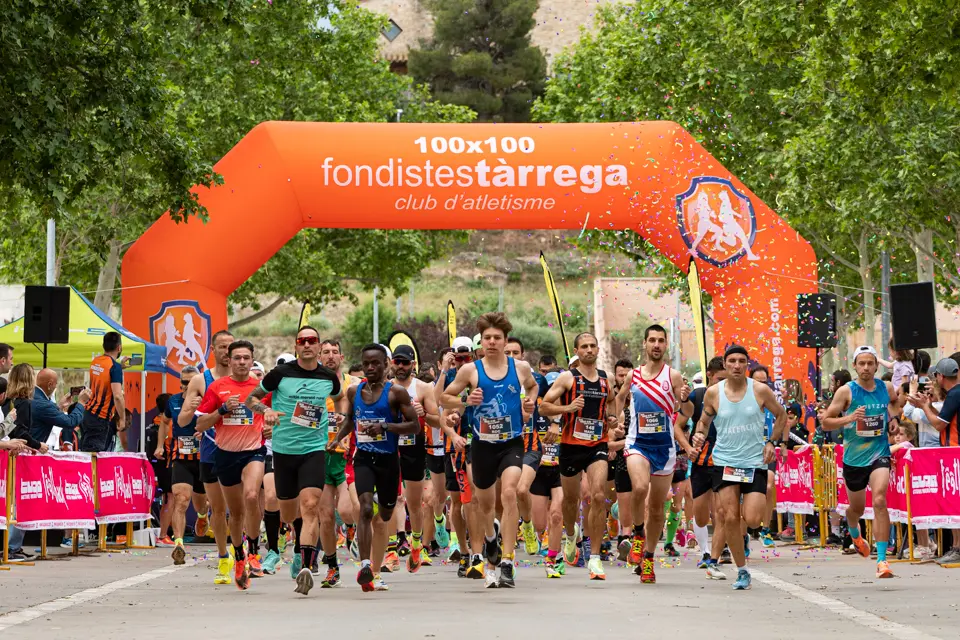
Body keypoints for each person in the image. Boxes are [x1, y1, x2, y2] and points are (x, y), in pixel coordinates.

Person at [441, 313, 539, 589]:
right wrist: (465, 400)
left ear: (506, 340)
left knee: (509, 493)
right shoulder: (470, 371)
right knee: (485, 505)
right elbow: (444, 397)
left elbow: (532, 387)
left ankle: (507, 561)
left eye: (497, 338)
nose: (493, 342)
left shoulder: (520, 368)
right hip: (482, 444)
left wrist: (529, 403)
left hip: (511, 442)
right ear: (481, 343)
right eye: (488, 338)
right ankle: (491, 540)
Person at [245, 327, 342, 595]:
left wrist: (340, 423)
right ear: (296, 345)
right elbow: (250, 399)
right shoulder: (280, 374)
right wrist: (267, 411)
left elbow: (340, 398)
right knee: (288, 512)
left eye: (312, 341)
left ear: (319, 346)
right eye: (302, 341)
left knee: (311, 505)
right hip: (284, 451)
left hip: (313, 450)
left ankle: (306, 566)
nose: (307, 345)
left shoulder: (328, 377)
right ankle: (294, 542)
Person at [692, 345, 786, 591]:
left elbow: (781, 416)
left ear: (747, 364)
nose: (736, 365)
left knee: (753, 519)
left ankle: (741, 538)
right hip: (724, 462)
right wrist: (699, 435)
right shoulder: (713, 393)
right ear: (724, 363)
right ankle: (742, 570)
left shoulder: (760, 390)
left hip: (754, 462)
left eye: (741, 361)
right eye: (731, 361)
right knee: (730, 517)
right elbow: (703, 421)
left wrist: (771, 442)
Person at [330, 344, 420, 592]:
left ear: (386, 364)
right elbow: (350, 420)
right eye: (366, 363)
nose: (370, 368)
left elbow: (414, 426)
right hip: (364, 458)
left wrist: (387, 428)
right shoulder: (353, 391)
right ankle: (366, 565)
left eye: (375, 363)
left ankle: (377, 565)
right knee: (366, 508)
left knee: (387, 514)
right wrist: (338, 439)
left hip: (389, 461)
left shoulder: (396, 393)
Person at [614, 324, 692, 584]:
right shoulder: (633, 376)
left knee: (657, 509)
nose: (656, 345)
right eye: (652, 340)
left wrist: (686, 399)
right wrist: (617, 421)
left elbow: (687, 411)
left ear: (665, 345)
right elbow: (619, 397)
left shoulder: (674, 376)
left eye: (661, 340)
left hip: (665, 448)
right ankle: (637, 534)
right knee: (639, 488)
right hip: (637, 444)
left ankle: (648, 559)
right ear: (645, 344)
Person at [539, 332, 618, 581]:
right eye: (584, 346)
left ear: (597, 350)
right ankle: (571, 535)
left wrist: (613, 419)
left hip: (598, 445)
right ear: (576, 350)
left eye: (593, 346)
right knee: (570, 502)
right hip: (571, 446)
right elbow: (544, 406)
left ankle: (594, 558)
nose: (589, 350)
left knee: (597, 495)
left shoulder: (607, 379)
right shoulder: (567, 378)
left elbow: (613, 404)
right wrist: (567, 409)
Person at [196, 339, 269, 590]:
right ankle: (238, 556)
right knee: (235, 513)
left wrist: (269, 425)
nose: (241, 362)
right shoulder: (217, 387)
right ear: (229, 359)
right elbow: (200, 424)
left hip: (253, 452)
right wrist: (222, 411)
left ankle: (253, 552)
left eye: (246, 358)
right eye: (236, 358)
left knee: (251, 496)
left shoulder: (261, 388)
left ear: (252, 360)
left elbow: (270, 415)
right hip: (225, 454)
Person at [823, 345, 900, 580]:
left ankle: (881, 561)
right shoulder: (846, 392)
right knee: (855, 509)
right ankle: (855, 534)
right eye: (861, 363)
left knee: (879, 500)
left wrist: (894, 418)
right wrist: (850, 418)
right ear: (855, 366)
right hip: (854, 459)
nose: (866, 368)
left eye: (870, 363)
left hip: (879, 453)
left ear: (877, 365)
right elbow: (826, 422)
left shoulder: (885, 387)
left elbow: (895, 402)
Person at [179, 329, 234, 584]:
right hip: (211, 448)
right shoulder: (201, 380)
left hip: (240, 448)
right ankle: (223, 555)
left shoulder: (246, 378)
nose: (226, 351)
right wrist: (189, 410)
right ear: (213, 350)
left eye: (229, 347)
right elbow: (182, 420)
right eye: (221, 347)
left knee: (241, 504)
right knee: (218, 509)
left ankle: (242, 553)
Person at [674, 356, 727, 577]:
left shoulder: (736, 396)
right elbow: (677, 427)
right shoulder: (697, 396)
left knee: (723, 510)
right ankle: (706, 548)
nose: (723, 384)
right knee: (701, 513)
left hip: (726, 461)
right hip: (701, 462)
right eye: (719, 379)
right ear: (709, 376)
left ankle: (714, 552)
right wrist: (687, 448)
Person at [390, 343, 441, 572]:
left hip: (414, 448)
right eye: (397, 362)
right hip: (390, 448)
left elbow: (437, 420)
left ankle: (417, 544)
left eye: (405, 363)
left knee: (414, 502)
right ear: (392, 363)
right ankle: (391, 550)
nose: (401, 367)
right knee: (389, 500)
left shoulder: (423, 388)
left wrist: (425, 413)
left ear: (413, 365)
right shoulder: (385, 388)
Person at [908, 356, 960, 563]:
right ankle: (955, 547)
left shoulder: (955, 394)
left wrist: (924, 407)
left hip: (954, 452)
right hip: (952, 452)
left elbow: (939, 424)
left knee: (955, 503)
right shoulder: (955, 394)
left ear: (940, 376)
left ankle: (957, 548)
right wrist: (927, 405)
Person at [160, 366, 209, 566]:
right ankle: (178, 544)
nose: (185, 386)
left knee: (201, 504)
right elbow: (164, 421)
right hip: (180, 458)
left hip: (203, 458)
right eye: (183, 382)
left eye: (190, 382)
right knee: (181, 500)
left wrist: (205, 430)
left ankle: (202, 516)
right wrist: (159, 445)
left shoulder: (206, 400)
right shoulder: (173, 401)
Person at [504, 337, 547, 558]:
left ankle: (528, 526)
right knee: (505, 496)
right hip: (505, 445)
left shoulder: (535, 379)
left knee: (521, 489)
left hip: (530, 445)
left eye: (516, 353)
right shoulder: (495, 379)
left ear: (523, 355)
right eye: (507, 352)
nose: (511, 357)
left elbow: (549, 404)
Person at [5, 363, 47, 560]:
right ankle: (13, 547)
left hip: (6, 451)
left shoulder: (8, 400)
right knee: (17, 501)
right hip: (17, 453)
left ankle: (10, 546)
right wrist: (38, 445)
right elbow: (21, 431)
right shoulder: (25, 403)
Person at [80, 331, 126, 452]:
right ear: (119, 347)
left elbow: (104, 375)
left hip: (88, 413)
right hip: (100, 418)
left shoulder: (95, 361)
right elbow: (117, 396)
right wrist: (122, 418)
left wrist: (119, 367)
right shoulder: (114, 368)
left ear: (103, 346)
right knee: (94, 457)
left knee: (85, 453)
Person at [609, 359, 634, 561]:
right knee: (621, 506)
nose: (625, 379)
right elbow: (608, 439)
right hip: (620, 462)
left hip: (648, 460)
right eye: (621, 375)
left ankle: (634, 540)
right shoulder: (616, 407)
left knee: (644, 501)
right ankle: (625, 537)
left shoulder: (648, 405)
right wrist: (616, 436)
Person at [29, 368, 89, 447]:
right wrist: (81, 403)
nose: (55, 387)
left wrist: (59, 406)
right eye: (55, 384)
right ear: (50, 385)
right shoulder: (44, 405)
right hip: (31, 451)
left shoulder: (32, 396)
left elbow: (45, 414)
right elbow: (70, 422)